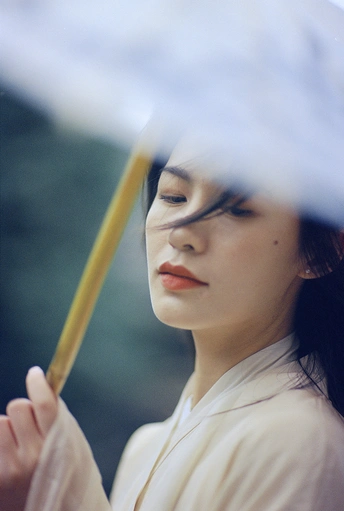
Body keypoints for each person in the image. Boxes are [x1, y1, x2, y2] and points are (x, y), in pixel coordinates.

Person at [0, 136, 344, 511]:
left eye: (237, 209)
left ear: (321, 250)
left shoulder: (298, 443)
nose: (182, 232)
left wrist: (55, 496)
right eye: (173, 197)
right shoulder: (145, 447)